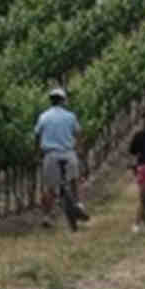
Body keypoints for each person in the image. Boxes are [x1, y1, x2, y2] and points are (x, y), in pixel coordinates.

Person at [34, 87, 89, 228]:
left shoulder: (43, 117)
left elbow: (37, 135)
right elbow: (78, 134)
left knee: (50, 188)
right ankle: (79, 205)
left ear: (51, 101)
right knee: (74, 181)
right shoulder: (70, 116)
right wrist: (80, 151)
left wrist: (37, 154)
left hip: (51, 155)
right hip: (68, 153)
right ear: (63, 101)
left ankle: (47, 217)